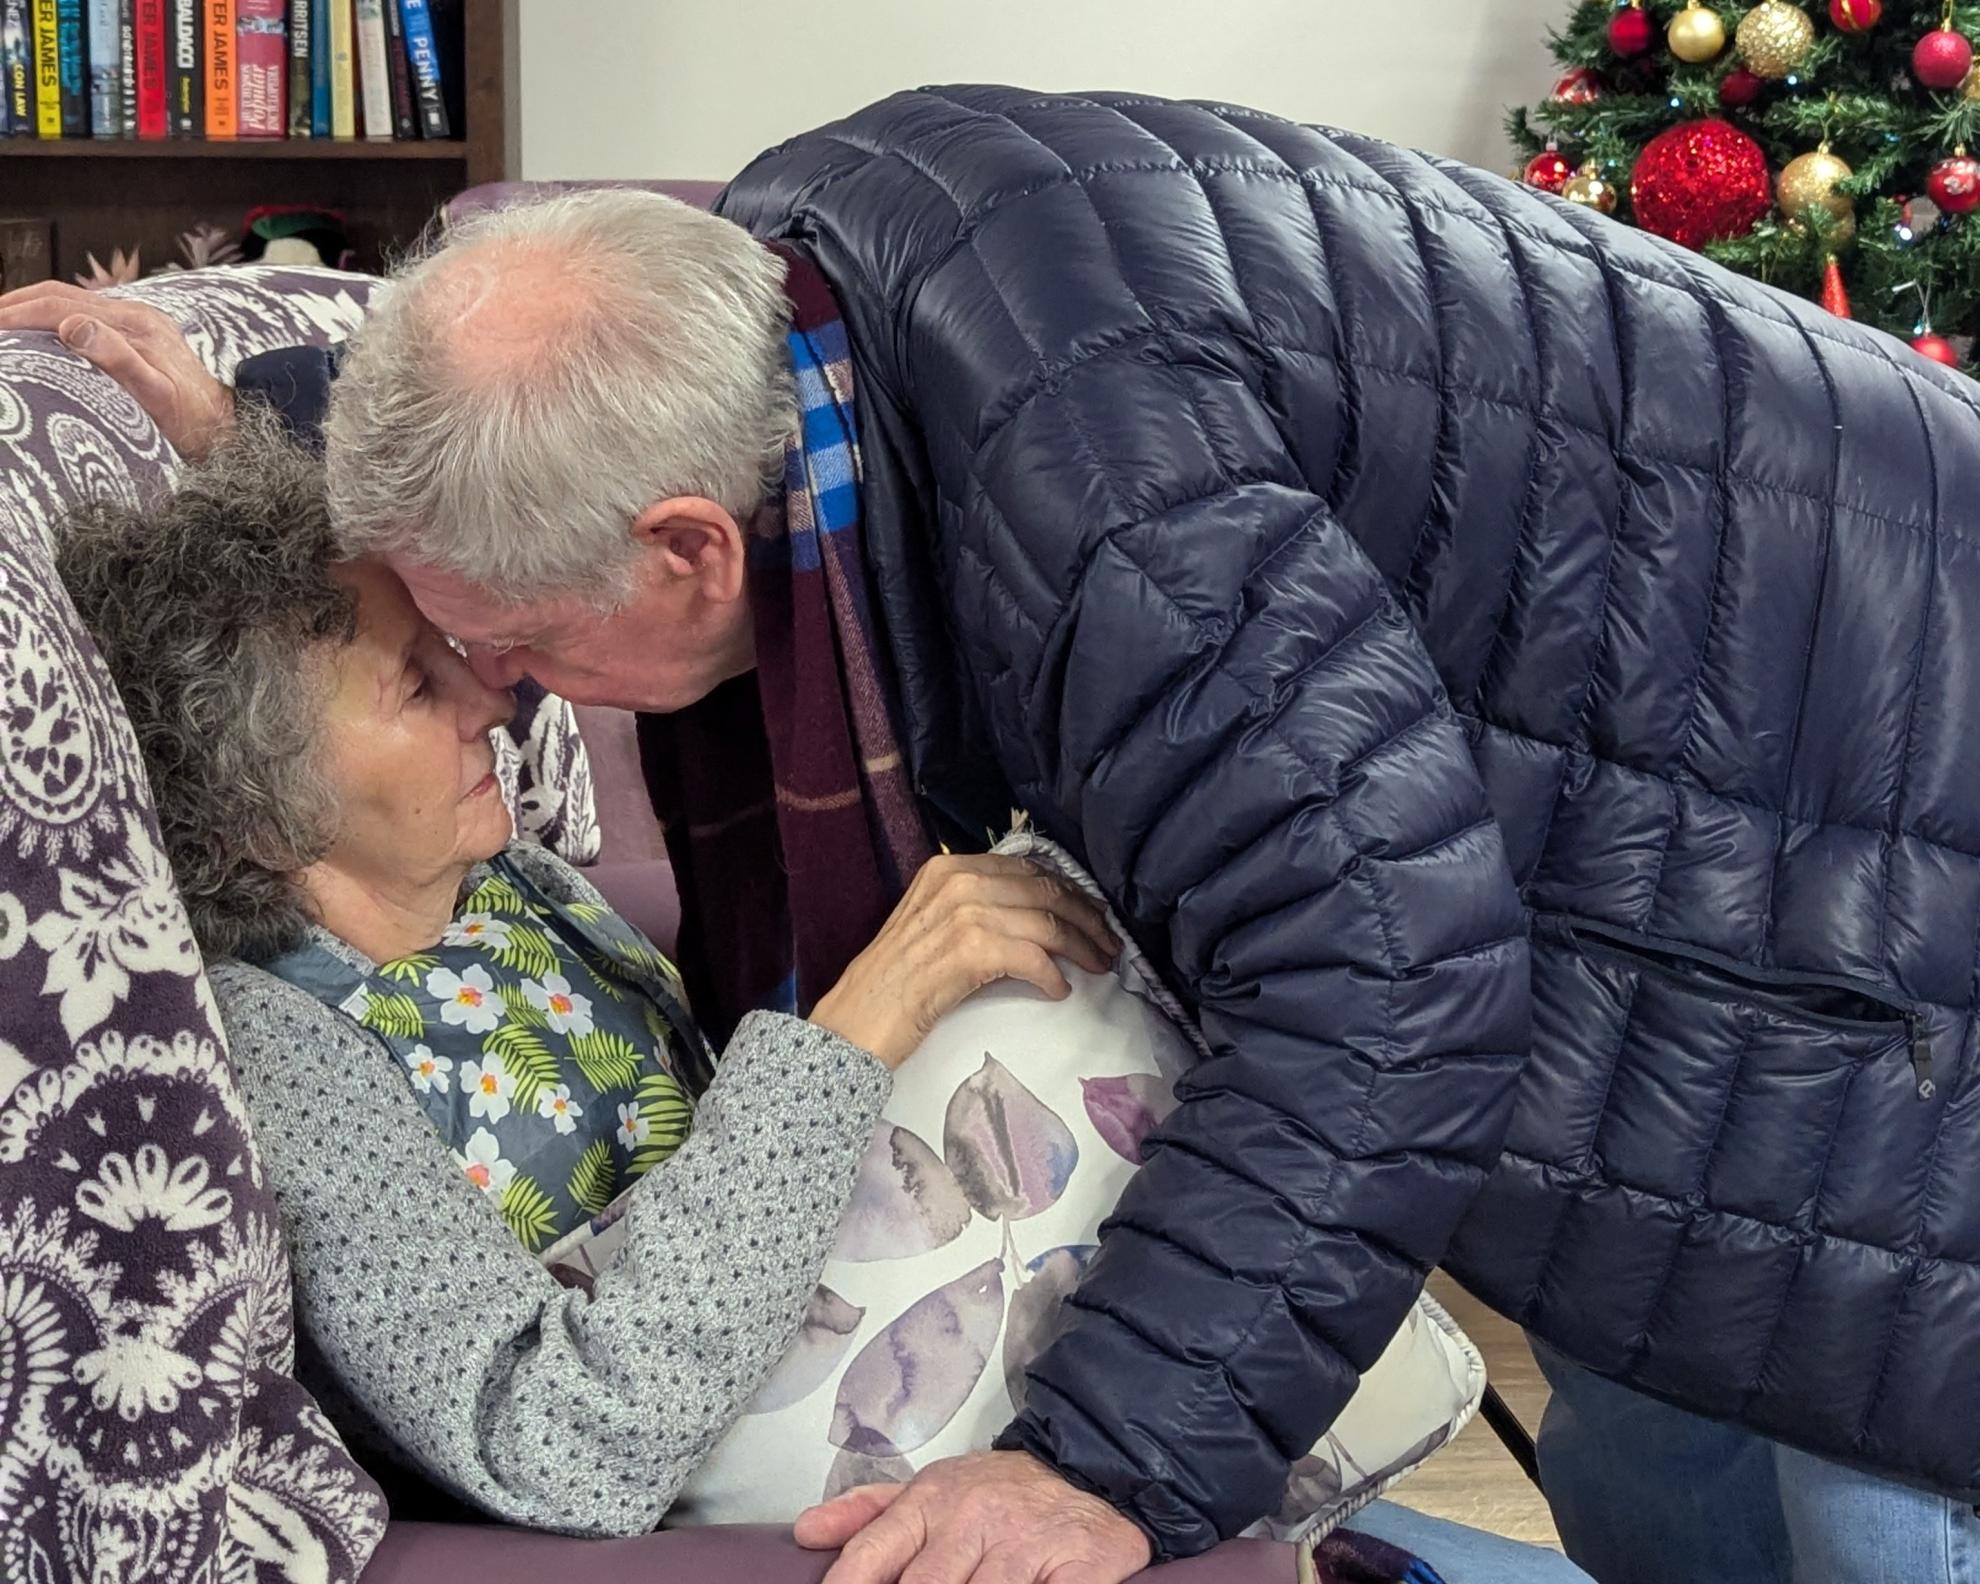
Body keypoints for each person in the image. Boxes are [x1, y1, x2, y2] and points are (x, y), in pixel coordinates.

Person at [9, 85, 1976, 1584]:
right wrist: (252, 431)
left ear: (693, 549)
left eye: (507, 647)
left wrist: (1108, 1466)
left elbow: (1385, 975)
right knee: (1678, 1393)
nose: (507, 693)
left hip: (1878, 827)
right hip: (1726, 762)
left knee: (1877, 1429)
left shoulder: (1091, 482)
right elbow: (523, 395)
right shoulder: (789, 307)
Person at [56, 420, 1594, 1584]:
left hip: (766, 1323)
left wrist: (205, 415)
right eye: (416, 685)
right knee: (1018, 979)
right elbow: (556, 1442)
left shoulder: (495, 890)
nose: (495, 697)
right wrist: (861, 1026)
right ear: (253, 808)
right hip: (680, 1452)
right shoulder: (282, 1051)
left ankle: (1260, 1417)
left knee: (1052, 908)